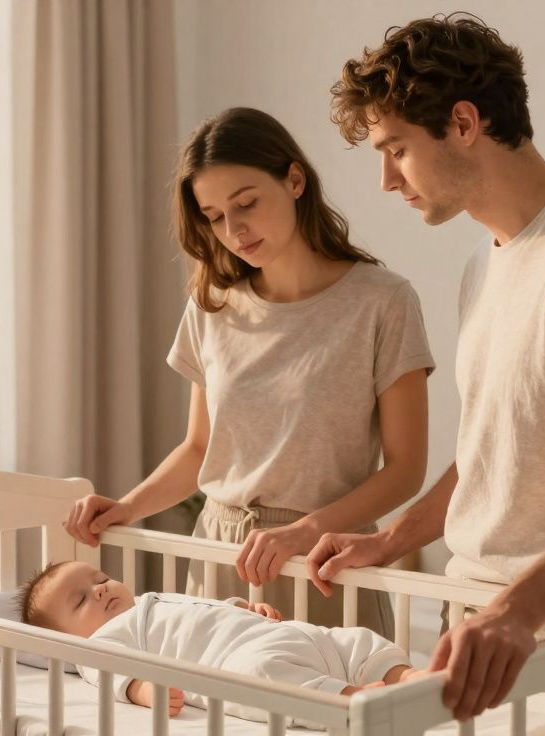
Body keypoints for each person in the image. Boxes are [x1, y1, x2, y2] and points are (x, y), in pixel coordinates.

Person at [306, 13, 545, 722]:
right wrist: (393, 540)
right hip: (481, 623)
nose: (387, 181)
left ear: (466, 122)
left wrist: (513, 613)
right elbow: (494, 451)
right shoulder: (487, 260)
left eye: (397, 150)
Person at [63, 107, 435, 636]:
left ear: (295, 180)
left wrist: (305, 532)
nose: (233, 230)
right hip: (218, 556)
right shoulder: (213, 303)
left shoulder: (383, 301)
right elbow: (199, 449)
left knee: (331, 710)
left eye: (246, 204)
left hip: (322, 562)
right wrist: (125, 507)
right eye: (214, 216)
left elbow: (405, 469)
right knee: (209, 715)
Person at [18, 561, 430, 726]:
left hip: (280, 634)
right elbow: (107, 670)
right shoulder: (105, 639)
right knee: (261, 678)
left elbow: (205, 610)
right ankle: (354, 698)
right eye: (80, 599)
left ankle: (406, 675)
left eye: (100, 578)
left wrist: (246, 606)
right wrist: (142, 690)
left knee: (351, 639)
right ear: (67, 640)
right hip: (242, 660)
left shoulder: (148, 600)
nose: (100, 591)